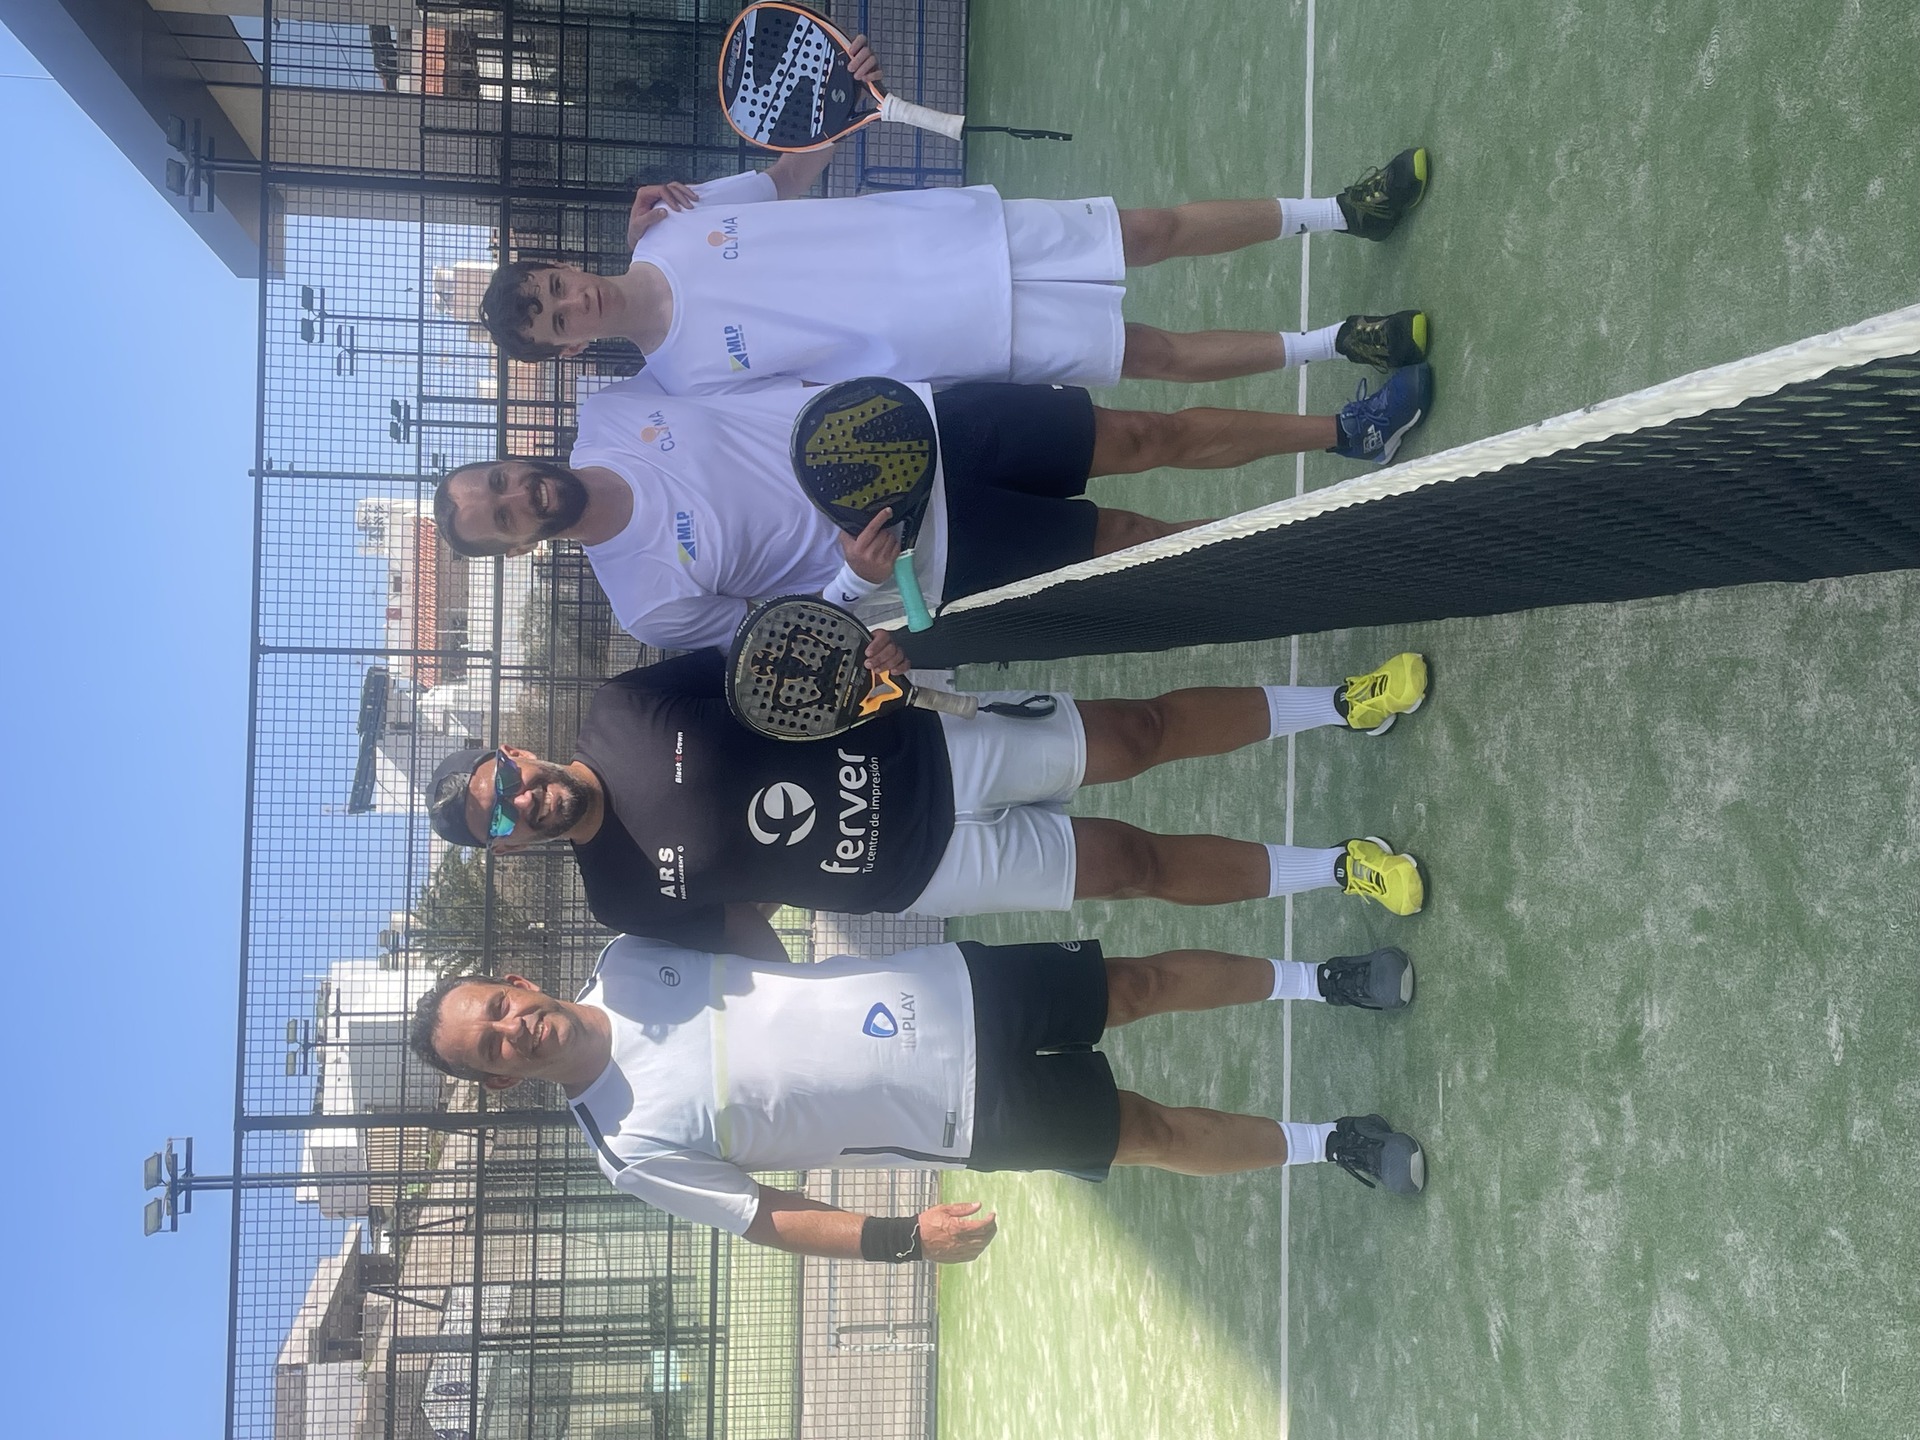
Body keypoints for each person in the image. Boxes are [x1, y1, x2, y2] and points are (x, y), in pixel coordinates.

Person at [407, 934, 1428, 1263]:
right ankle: (1334, 1141)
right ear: (499, 1079)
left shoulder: (633, 954)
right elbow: (762, 1215)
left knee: (1140, 982)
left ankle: (1322, 979)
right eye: (490, 1047)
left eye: (497, 1006)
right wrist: (903, 1241)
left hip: (952, 986)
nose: (510, 1027)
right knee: (1147, 1132)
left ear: (516, 982)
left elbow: (744, 909)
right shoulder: (625, 1151)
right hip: (959, 1118)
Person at [423, 650, 1431, 959]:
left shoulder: (621, 706)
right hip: (924, 874)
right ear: (507, 849)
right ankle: (1341, 868)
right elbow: (741, 930)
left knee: (1141, 732)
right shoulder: (618, 900)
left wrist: (860, 664)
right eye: (498, 822)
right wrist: (801, 1010)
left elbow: (757, 665)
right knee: (1134, 867)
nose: (522, 804)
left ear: (514, 753)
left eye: (503, 785)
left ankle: (1340, 705)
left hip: (931, 742)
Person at [429, 363, 1433, 653]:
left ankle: (1347, 432)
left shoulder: (611, 410)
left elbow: (703, 337)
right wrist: (850, 581)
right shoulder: (645, 604)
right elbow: (791, 636)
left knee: (1146, 434)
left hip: (925, 426)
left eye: (499, 479)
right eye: (502, 516)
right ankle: (1324, 553)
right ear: (515, 549)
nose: (519, 494)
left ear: (509, 457)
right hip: (938, 551)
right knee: (1138, 542)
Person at [478, 127, 1432, 392]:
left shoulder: (672, 223)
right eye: (559, 321)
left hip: (955, 234)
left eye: (556, 286)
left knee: (1152, 230)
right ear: (568, 349)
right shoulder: (681, 382)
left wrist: (845, 109)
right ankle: (1338, 343)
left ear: (562, 263)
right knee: (1157, 355)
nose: (575, 302)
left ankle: (1343, 212)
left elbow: (785, 179)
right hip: (965, 339)